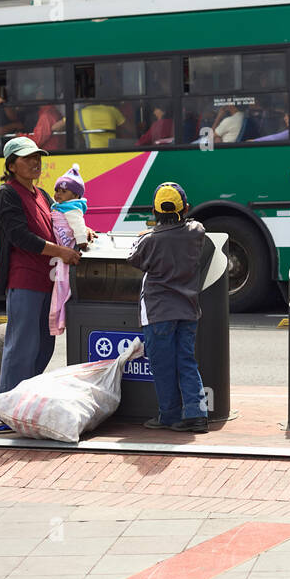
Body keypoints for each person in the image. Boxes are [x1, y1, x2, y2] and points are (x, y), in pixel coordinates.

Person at [0, 136, 81, 392]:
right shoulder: (6, 194)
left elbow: (60, 222)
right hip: (25, 280)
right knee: (22, 346)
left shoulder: (41, 194)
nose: (35, 162)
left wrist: (83, 233)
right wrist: (61, 252)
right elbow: (20, 237)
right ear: (11, 166)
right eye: (28, 158)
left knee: (44, 344)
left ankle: (27, 398)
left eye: (37, 157)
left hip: (49, 281)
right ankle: (10, 404)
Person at [127, 182, 211, 433]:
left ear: (154, 213)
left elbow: (132, 257)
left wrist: (146, 234)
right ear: (185, 208)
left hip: (158, 312)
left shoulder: (150, 241)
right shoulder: (196, 231)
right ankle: (197, 414)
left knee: (162, 365)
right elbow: (194, 224)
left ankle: (169, 415)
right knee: (186, 361)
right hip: (187, 310)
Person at [48, 164, 93, 337]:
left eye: (63, 191)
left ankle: (59, 321)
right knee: (61, 288)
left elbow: (79, 227)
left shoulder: (72, 208)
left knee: (63, 289)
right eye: (56, 190)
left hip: (67, 254)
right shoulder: (59, 207)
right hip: (62, 254)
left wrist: (82, 242)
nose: (58, 194)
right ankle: (58, 321)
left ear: (75, 195)